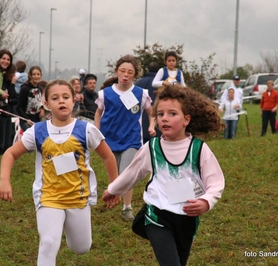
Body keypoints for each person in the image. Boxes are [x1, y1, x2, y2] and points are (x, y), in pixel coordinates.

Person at [0, 79, 120, 265]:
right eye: (55, 98)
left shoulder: (86, 130)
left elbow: (108, 157)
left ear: (73, 100)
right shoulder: (37, 131)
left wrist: (115, 187)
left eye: (65, 97)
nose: (61, 101)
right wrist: (4, 180)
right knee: (48, 242)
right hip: (48, 197)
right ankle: (54, 228)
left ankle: (69, 229)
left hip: (78, 197)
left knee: (81, 247)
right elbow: (10, 154)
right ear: (46, 104)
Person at [102, 84, 225, 266]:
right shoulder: (151, 148)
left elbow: (216, 182)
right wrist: (112, 190)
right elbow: (131, 173)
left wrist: (206, 201)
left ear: (186, 119)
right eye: (160, 114)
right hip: (157, 215)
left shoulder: (199, 149)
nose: (164, 119)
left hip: (187, 218)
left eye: (172, 114)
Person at [94, 54, 156, 221]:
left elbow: (152, 114)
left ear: (135, 75)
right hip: (109, 140)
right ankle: (113, 199)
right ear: (116, 72)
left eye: (130, 72)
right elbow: (98, 113)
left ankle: (127, 208)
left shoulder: (141, 93)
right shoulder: (105, 94)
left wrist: (151, 126)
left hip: (131, 140)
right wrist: (96, 132)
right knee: (114, 175)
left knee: (127, 174)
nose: (126, 75)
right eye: (122, 71)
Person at [0, 64, 18, 155]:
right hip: (0, 112)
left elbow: (14, 98)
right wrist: (12, 85)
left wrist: (12, 85)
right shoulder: (3, 83)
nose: (13, 76)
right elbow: (8, 96)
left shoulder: (11, 84)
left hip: (8, 113)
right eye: (12, 73)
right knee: (0, 140)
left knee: (8, 140)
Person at [135, 61, 162, 143]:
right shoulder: (162, 83)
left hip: (143, 120)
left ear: (147, 70)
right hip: (158, 119)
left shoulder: (139, 82)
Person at [16, 66, 44, 132]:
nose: (36, 76)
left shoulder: (40, 89)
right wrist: (26, 119)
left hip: (37, 120)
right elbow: (19, 107)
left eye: (38, 74)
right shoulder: (25, 88)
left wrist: (42, 109)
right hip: (26, 120)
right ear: (30, 76)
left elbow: (40, 102)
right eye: (34, 74)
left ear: (41, 75)